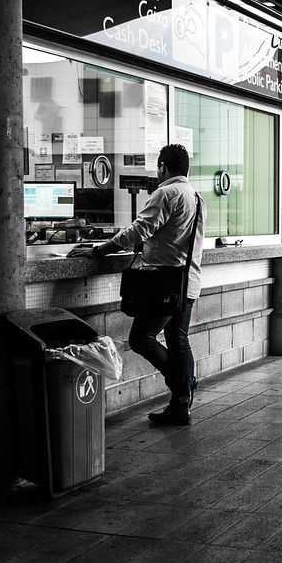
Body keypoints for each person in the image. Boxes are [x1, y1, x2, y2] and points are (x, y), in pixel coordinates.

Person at [69, 144, 205, 426]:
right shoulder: (195, 196)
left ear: (163, 167)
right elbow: (170, 236)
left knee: (141, 338)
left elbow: (138, 230)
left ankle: (183, 386)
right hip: (188, 281)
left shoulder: (166, 193)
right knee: (179, 341)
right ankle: (181, 401)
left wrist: (98, 251)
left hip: (166, 283)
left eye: (158, 167)